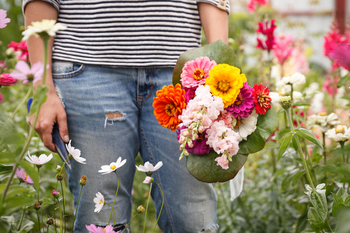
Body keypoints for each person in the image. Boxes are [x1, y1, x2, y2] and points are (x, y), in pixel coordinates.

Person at [23, 0, 229, 232]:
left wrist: (220, 73)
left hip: (184, 74)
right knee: (102, 221)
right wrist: (43, 88)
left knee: (195, 221)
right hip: (88, 70)